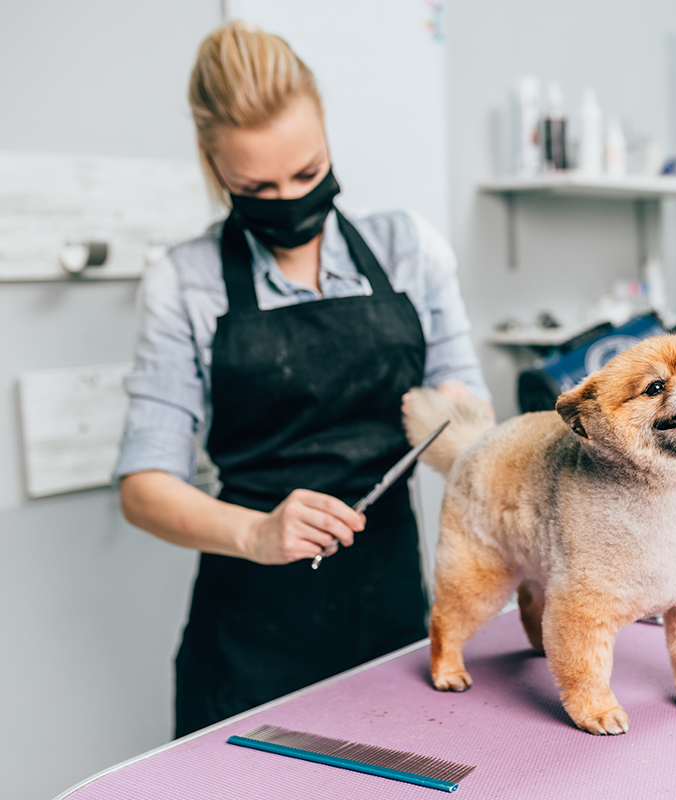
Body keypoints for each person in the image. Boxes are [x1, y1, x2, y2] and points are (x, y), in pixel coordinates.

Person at [115, 21, 491, 737]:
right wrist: (259, 533)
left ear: (326, 136)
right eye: (256, 186)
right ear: (212, 164)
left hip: (391, 621)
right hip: (250, 642)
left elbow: (469, 413)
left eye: (308, 173)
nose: (288, 199)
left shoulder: (409, 250)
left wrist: (463, 425)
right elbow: (143, 489)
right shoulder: (184, 284)